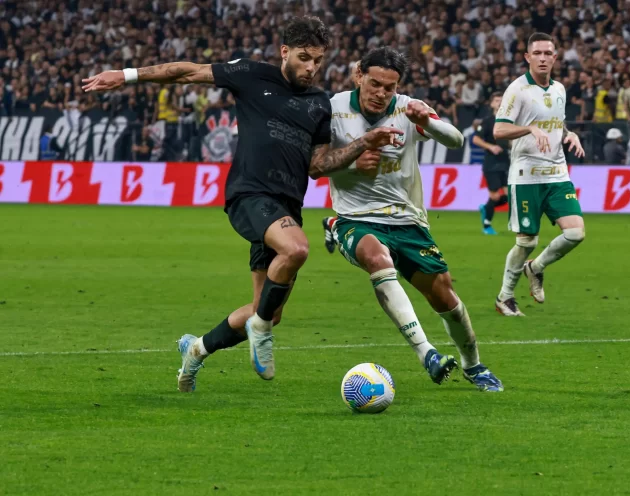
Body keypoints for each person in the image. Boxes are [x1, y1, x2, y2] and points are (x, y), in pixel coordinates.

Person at [82, 16, 401, 392]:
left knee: (267, 308)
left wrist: (363, 143)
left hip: (285, 210)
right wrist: (127, 75)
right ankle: (260, 332)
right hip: (249, 195)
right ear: (285, 52)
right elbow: (187, 72)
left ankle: (196, 350)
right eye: (304, 58)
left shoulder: (318, 104)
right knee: (297, 249)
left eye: (318, 60)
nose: (312, 67)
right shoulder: (251, 74)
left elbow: (318, 166)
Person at [321, 48, 503, 392]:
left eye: (389, 87)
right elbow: (314, 164)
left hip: (407, 221)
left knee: (445, 297)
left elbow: (456, 139)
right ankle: (427, 354)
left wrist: (428, 122)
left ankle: (474, 365)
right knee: (377, 258)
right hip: (357, 217)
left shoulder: (407, 108)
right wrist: (351, 163)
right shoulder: (333, 109)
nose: (381, 93)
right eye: (374, 83)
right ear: (358, 74)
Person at [492, 32, 586, 317]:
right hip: (526, 175)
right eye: (538, 53)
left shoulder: (559, 89)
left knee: (575, 233)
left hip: (557, 173)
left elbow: (558, 124)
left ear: (555, 58)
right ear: (528, 57)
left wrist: (572, 135)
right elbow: (499, 130)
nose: (543, 58)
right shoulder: (517, 89)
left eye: (548, 53)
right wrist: (530, 129)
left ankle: (537, 267)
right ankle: (505, 297)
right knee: (527, 241)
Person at [472, 92, 510, 235]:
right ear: (492, 104)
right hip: (491, 164)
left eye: (502, 101)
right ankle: (487, 224)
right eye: (497, 101)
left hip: (506, 162)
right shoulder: (487, 121)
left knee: (510, 197)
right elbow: (476, 139)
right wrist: (491, 147)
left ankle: (486, 207)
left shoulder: (508, 122)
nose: (499, 103)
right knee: (494, 196)